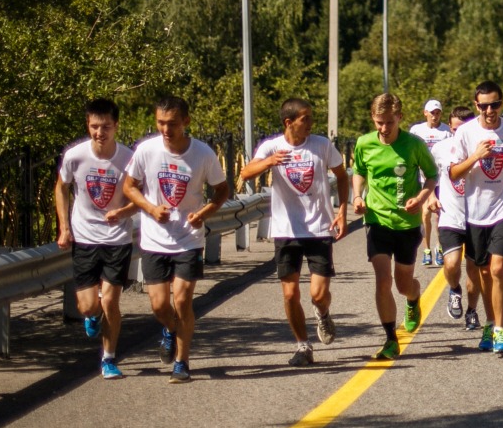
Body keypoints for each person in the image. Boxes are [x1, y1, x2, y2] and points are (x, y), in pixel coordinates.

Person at [121, 95, 231, 383]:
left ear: (186, 122)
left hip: (188, 239)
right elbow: (129, 186)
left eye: (171, 123)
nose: (165, 129)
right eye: (160, 123)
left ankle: (182, 362)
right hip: (154, 240)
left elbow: (222, 191)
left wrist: (203, 213)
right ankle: (169, 329)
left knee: (182, 301)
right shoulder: (146, 150)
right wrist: (150, 208)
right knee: (159, 306)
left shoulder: (203, 153)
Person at [240, 97, 350, 366]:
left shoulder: (321, 145)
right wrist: (269, 163)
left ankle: (322, 314)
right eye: (306, 119)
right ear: (289, 122)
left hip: (319, 229)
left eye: (311, 118)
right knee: (290, 294)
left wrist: (343, 211)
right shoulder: (272, 147)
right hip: (286, 230)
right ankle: (303, 346)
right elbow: (245, 173)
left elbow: (342, 174)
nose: (311, 123)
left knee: (318, 294)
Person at [55, 98, 139, 380]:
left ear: (116, 126)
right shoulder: (75, 156)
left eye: (105, 127)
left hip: (117, 238)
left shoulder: (129, 158)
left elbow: (142, 199)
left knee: (111, 303)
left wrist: (124, 210)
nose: (99, 132)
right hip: (85, 237)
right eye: (94, 126)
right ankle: (92, 315)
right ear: (87, 126)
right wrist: (64, 227)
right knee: (88, 306)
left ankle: (109, 358)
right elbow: (61, 188)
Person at [351, 92, 440, 360]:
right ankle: (390, 339)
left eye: (389, 122)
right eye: (379, 122)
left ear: (399, 118)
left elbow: (432, 176)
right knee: (382, 279)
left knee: (403, 284)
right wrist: (357, 196)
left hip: (407, 223)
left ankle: (413, 299)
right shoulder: (364, 143)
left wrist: (422, 198)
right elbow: (359, 171)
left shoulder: (414, 144)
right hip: (377, 220)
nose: (384, 128)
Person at [447, 81, 503, 356]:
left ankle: (501, 329)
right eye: (483, 106)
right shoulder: (465, 133)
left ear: (501, 104)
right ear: (476, 106)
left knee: (497, 268)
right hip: (476, 213)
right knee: (483, 272)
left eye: (494, 105)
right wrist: (475, 156)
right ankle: (489, 323)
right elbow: (453, 174)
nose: (489, 110)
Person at [432, 104, 484, 331]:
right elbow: (428, 176)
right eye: (454, 130)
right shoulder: (441, 149)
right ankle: (454, 289)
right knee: (451, 264)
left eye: (462, 129)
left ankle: (472, 311)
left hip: (478, 216)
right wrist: (429, 199)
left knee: (474, 270)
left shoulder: (483, 148)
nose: (457, 134)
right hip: (450, 215)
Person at [409, 99, 453, 266]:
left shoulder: (446, 132)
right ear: (425, 113)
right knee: (425, 214)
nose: (435, 116)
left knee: (439, 214)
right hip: (421, 178)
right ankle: (426, 249)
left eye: (438, 113)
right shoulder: (416, 130)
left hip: (440, 179)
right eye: (432, 113)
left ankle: (439, 247)